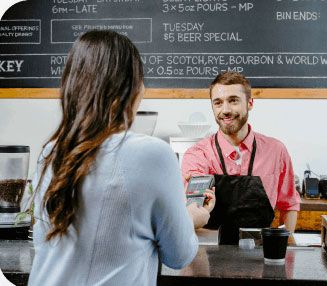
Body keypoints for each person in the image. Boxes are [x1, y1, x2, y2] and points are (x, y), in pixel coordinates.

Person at [28, 30, 213, 286]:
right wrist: (193, 217)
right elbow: (179, 256)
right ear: (132, 89)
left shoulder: (51, 152)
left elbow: (42, 242)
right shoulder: (152, 154)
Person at [182, 71, 300, 245]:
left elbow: (288, 204)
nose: (225, 110)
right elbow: (193, 208)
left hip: (260, 254)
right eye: (218, 103)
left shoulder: (276, 151)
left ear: (250, 103)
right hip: (210, 256)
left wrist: (285, 248)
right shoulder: (198, 155)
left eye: (233, 100)